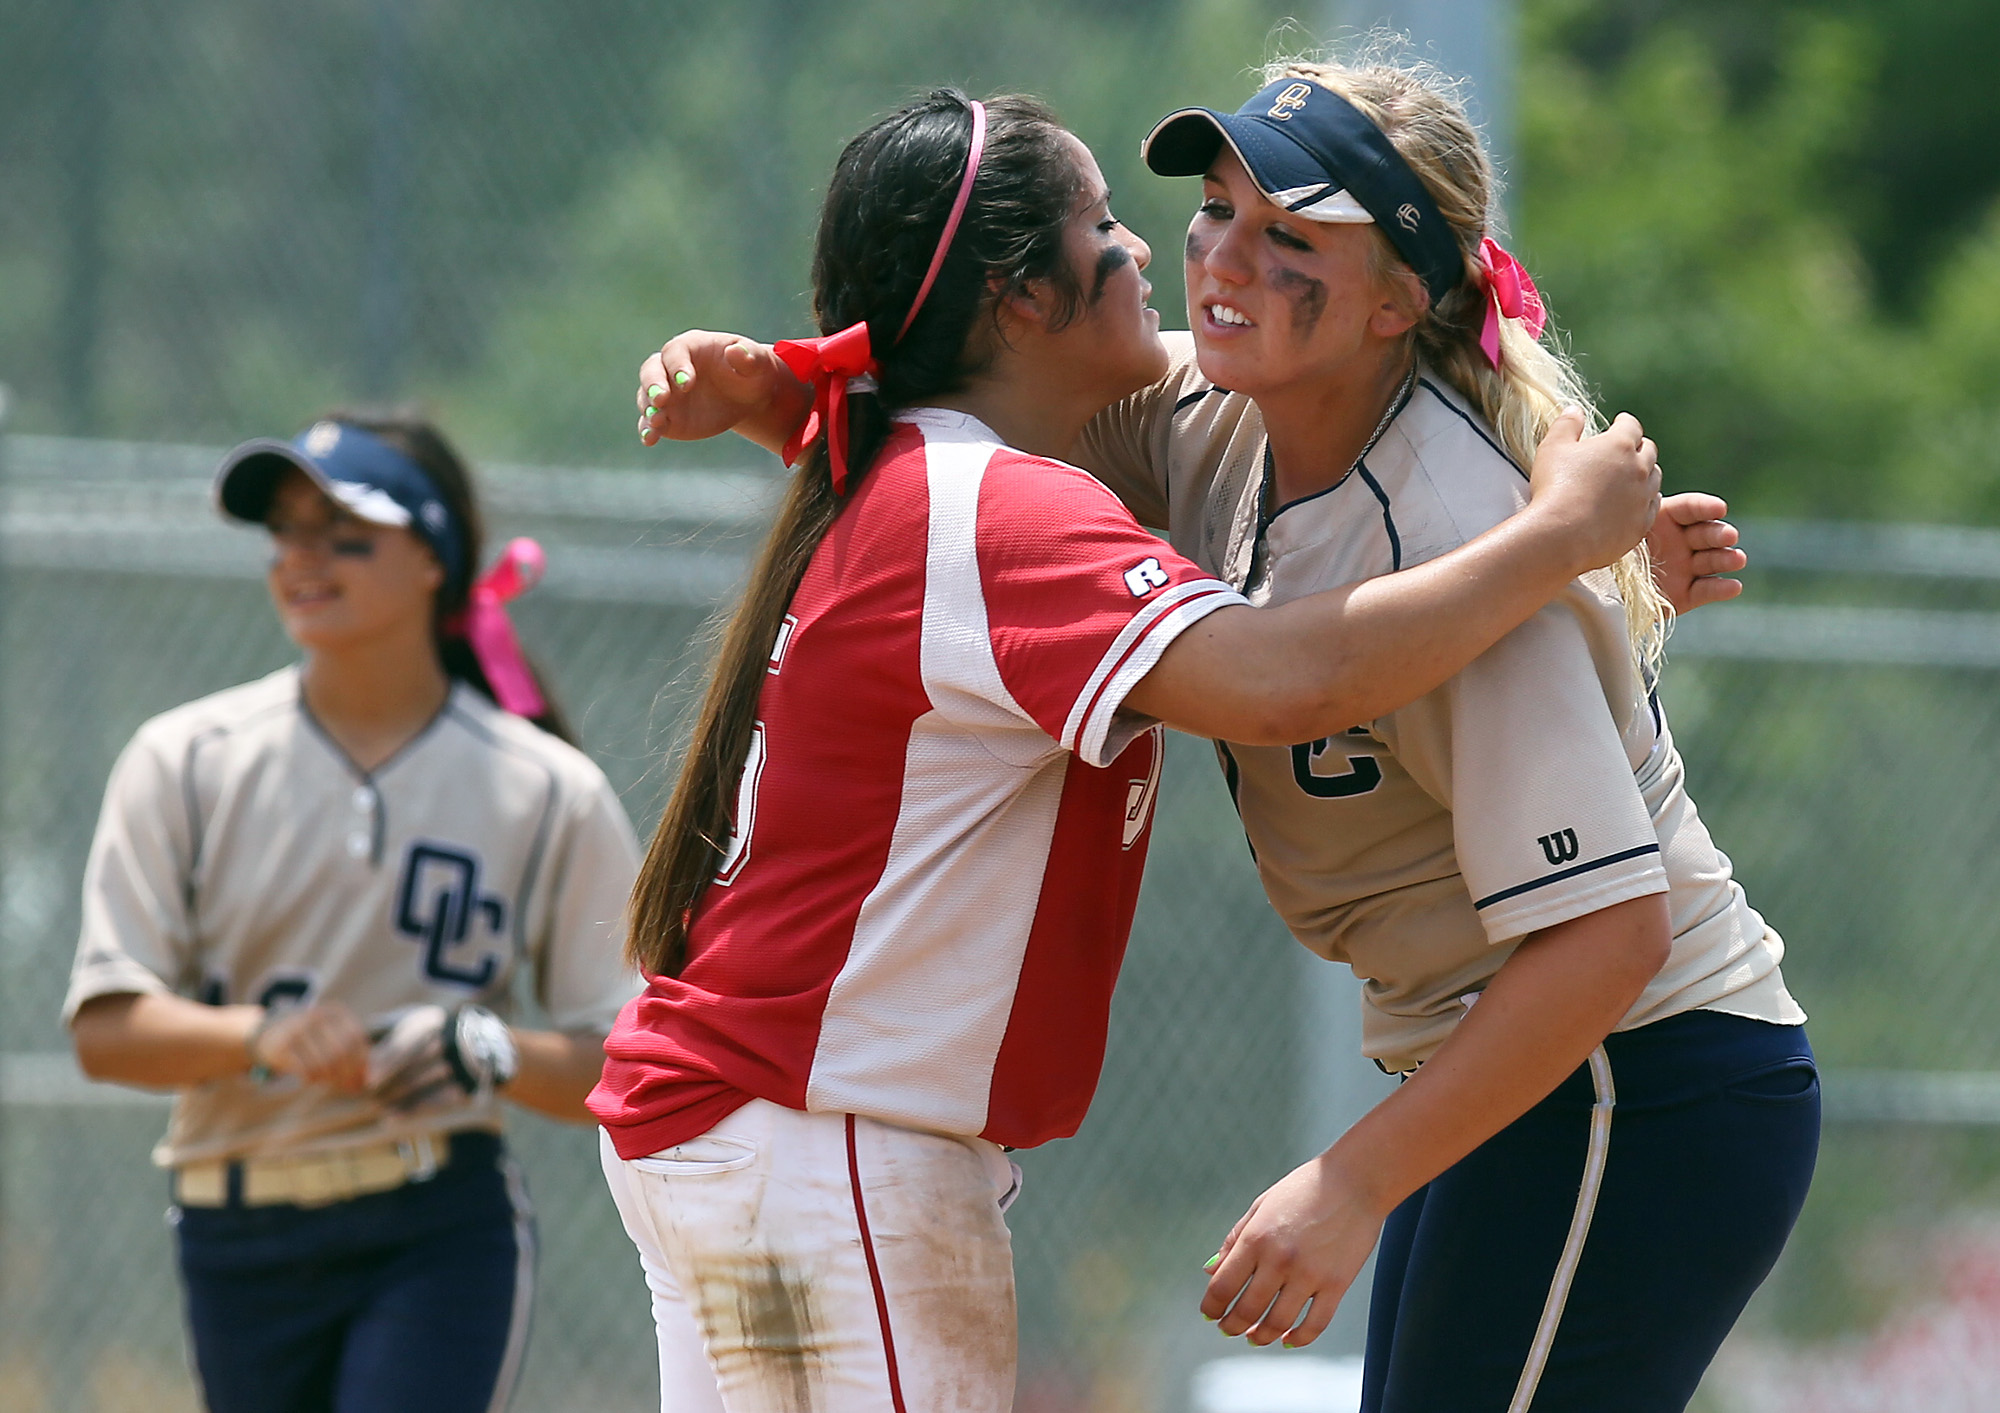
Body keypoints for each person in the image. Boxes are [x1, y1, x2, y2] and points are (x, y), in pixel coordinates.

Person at [636, 57, 1811, 1413]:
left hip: (1642, 1071)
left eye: (1290, 235)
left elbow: (1615, 936)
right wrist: (795, 393)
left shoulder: (1471, 549)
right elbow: (986, 427)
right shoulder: (1209, 407)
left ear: (1399, 300)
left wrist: (1351, 1178)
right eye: (1213, 203)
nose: (1212, 255)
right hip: (1511, 1063)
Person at [65, 413, 643, 1413]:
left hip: (434, 1223)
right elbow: (107, 1031)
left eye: (345, 534)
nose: (302, 559)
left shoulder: (547, 790)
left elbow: (631, 1059)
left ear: (435, 561)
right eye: (284, 531)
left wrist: (486, 1049)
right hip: (232, 1221)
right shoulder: (186, 760)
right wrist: (261, 1036)